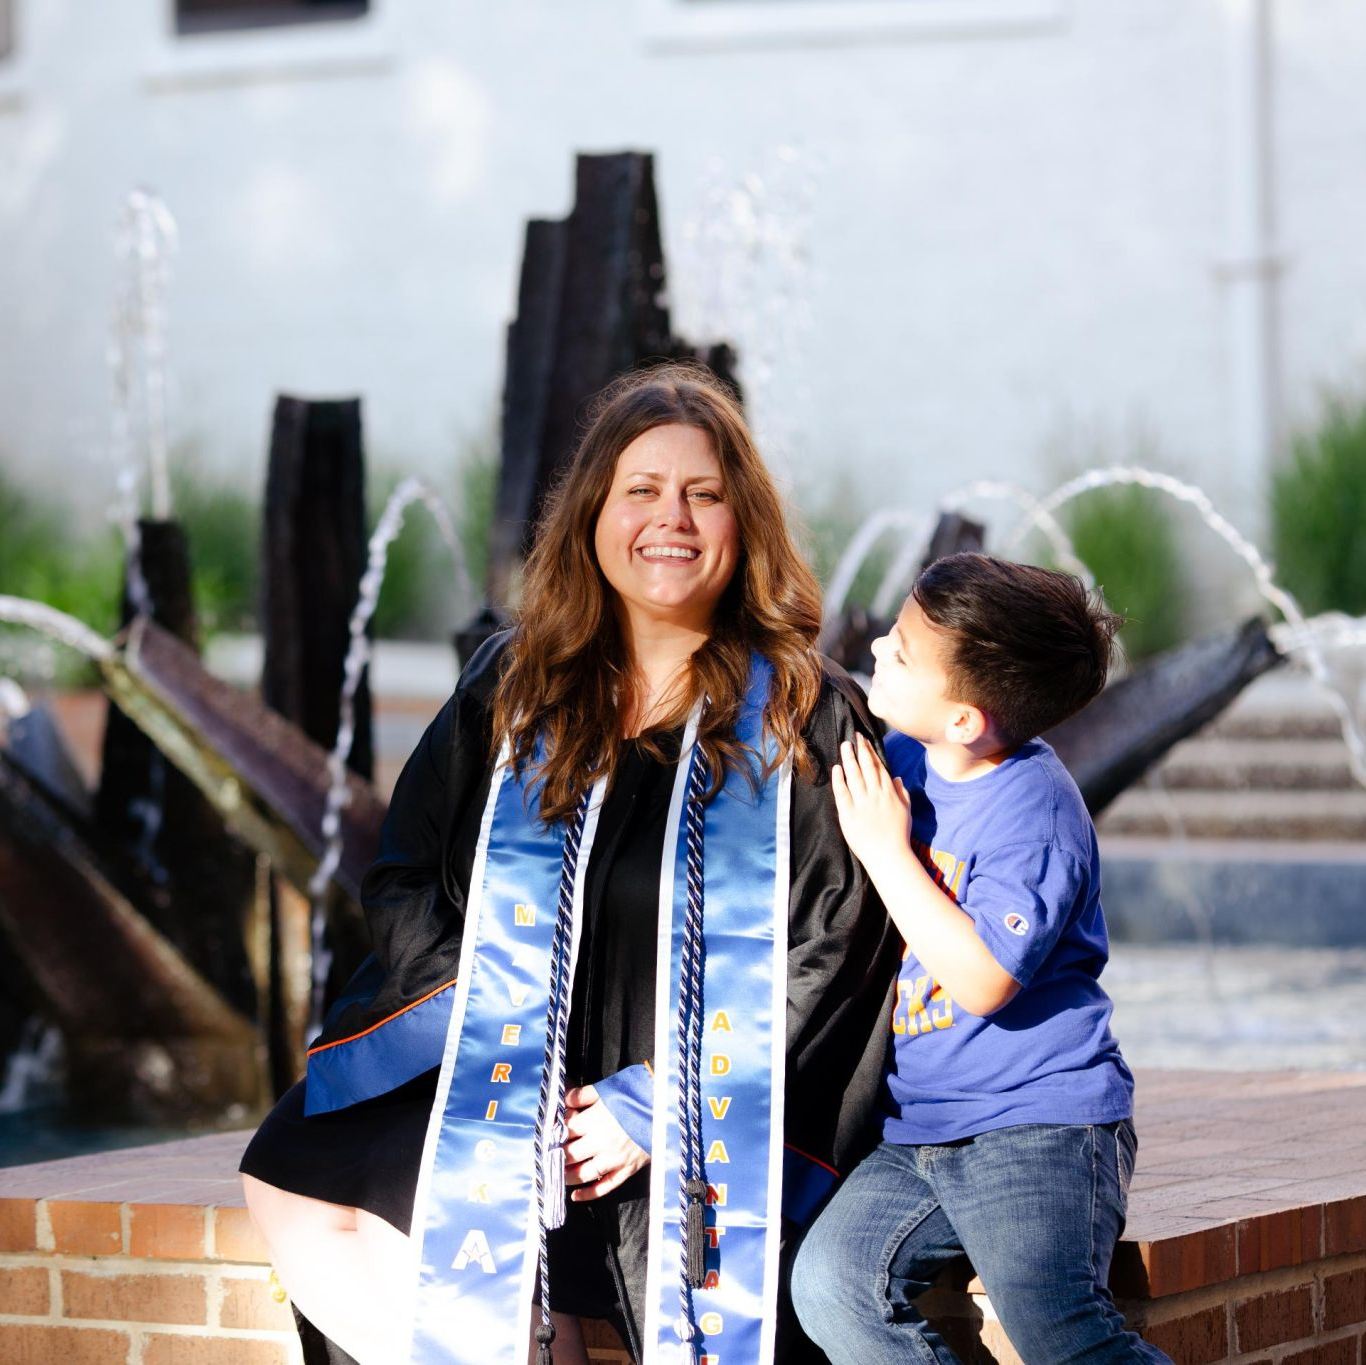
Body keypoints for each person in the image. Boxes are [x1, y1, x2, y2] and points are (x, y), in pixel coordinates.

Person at [240, 363, 899, 1365]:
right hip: (513, 1075)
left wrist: (661, 1101)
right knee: (295, 1167)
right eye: (641, 491)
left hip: (694, 1103)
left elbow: (840, 945)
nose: (668, 519)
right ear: (592, 514)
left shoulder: (801, 711)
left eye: (702, 495)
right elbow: (406, 873)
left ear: (743, 524)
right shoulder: (514, 684)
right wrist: (496, 1048)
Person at [791, 552, 1171, 1364]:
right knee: (829, 1285)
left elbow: (984, 979)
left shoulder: (1034, 811)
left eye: (902, 646)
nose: (881, 648)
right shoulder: (901, 761)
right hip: (914, 1131)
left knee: (1058, 1327)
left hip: (1040, 1123)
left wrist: (889, 854)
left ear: (966, 718)